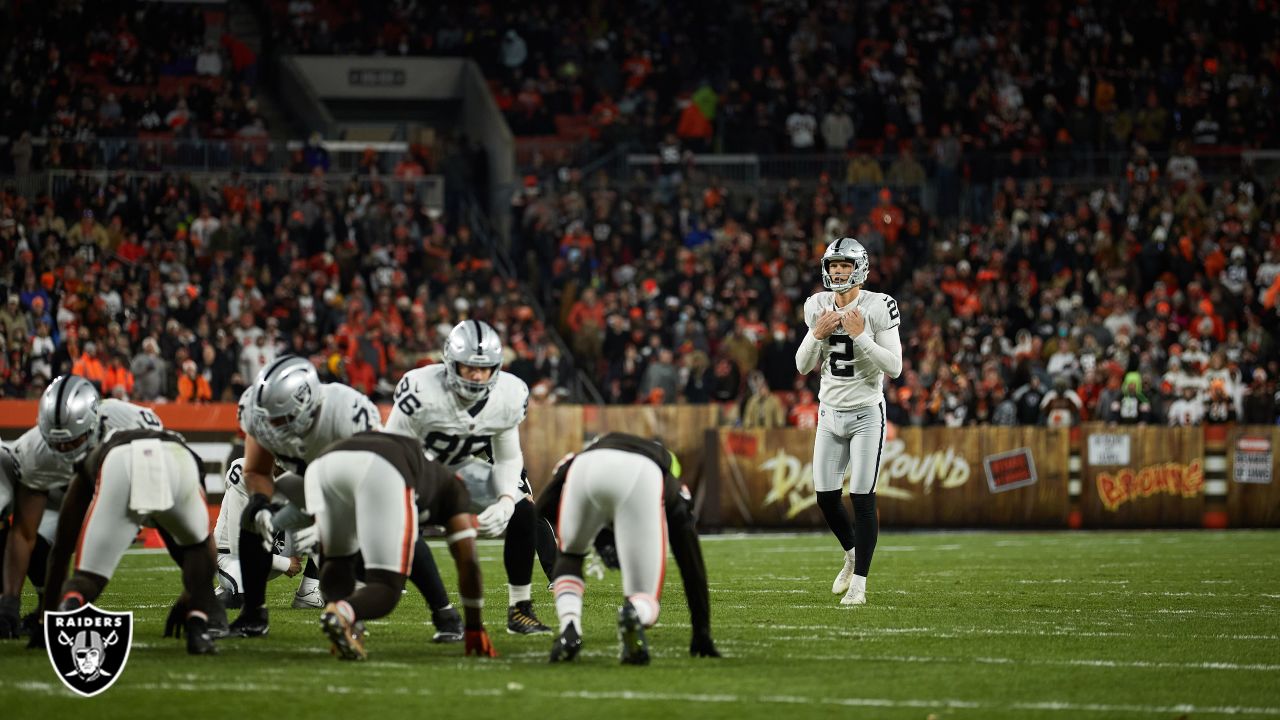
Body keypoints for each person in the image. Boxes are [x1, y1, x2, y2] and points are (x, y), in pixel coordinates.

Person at [229, 356, 461, 641]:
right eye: (267, 419)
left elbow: (374, 474)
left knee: (397, 532)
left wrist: (321, 517)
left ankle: (445, 613)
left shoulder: (345, 411)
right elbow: (255, 470)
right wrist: (262, 504)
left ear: (307, 404)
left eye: (281, 419)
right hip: (307, 478)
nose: (272, 427)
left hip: (359, 478)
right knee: (253, 516)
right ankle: (253, 614)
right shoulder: (259, 411)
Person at [386, 320, 558, 635]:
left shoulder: (508, 392)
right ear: (451, 364)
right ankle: (444, 613)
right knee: (403, 527)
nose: (478, 376)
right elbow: (392, 452)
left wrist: (507, 500)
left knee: (523, 510)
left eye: (485, 368)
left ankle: (520, 610)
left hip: (462, 467)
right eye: (469, 367)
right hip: (416, 469)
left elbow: (507, 456)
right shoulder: (420, 388)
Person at [304, 431, 498, 661]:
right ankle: (343, 614)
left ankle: (342, 620)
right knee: (387, 585)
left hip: (324, 462)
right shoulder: (456, 493)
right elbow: (468, 562)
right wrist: (474, 626)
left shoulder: (433, 472)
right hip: (380, 467)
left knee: (338, 559)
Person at [0, 376, 166, 638]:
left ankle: (203, 603)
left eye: (72, 442)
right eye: (56, 443)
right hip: (60, 506)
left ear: (94, 424)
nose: (64, 450)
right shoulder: (33, 451)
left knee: (173, 522)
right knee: (42, 542)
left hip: (122, 497)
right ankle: (43, 607)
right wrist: (9, 603)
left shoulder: (127, 424)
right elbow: (24, 534)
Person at [536, 432, 719, 664]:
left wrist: (595, 538)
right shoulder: (666, 478)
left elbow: (541, 511)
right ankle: (634, 613)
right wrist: (701, 630)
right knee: (644, 597)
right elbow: (690, 562)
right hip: (641, 477)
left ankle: (569, 627)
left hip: (584, 469)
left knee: (570, 554)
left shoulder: (582, 456)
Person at [40, 427, 220, 655]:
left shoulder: (94, 456)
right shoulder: (181, 449)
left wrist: (45, 619)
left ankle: (71, 604)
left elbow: (62, 549)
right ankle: (198, 626)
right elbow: (206, 548)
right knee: (199, 545)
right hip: (176, 458)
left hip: (118, 462)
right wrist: (194, 595)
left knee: (89, 578)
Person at [794, 238, 903, 606]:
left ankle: (860, 583)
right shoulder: (816, 306)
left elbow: (895, 367)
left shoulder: (878, 305)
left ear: (859, 268)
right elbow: (802, 365)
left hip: (866, 413)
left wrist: (861, 336)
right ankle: (852, 553)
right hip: (828, 413)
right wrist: (815, 334)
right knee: (825, 497)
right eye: (833, 265)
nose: (838, 271)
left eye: (844, 265)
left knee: (861, 497)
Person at [212, 458, 314, 609]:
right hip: (232, 558)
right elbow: (240, 549)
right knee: (244, 597)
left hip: (269, 549)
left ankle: (310, 590)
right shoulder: (246, 473)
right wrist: (285, 563)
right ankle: (207, 598)